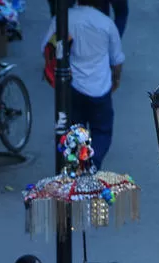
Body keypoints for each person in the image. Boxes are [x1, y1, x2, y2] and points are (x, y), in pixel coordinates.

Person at [41, 0, 124, 170]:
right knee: (102, 130)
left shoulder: (63, 19)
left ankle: (77, 165)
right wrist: (115, 80)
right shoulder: (106, 23)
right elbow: (117, 60)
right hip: (100, 86)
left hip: (73, 86)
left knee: (74, 130)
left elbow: (46, 47)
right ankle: (93, 163)